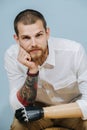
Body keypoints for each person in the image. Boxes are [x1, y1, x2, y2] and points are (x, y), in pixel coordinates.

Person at [4, 9, 87, 130]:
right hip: (36, 115)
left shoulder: (74, 52)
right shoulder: (11, 56)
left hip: (71, 111)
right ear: (17, 39)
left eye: (38, 35)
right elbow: (18, 107)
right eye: (26, 38)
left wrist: (43, 112)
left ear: (47, 33)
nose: (34, 43)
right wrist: (32, 72)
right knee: (19, 125)